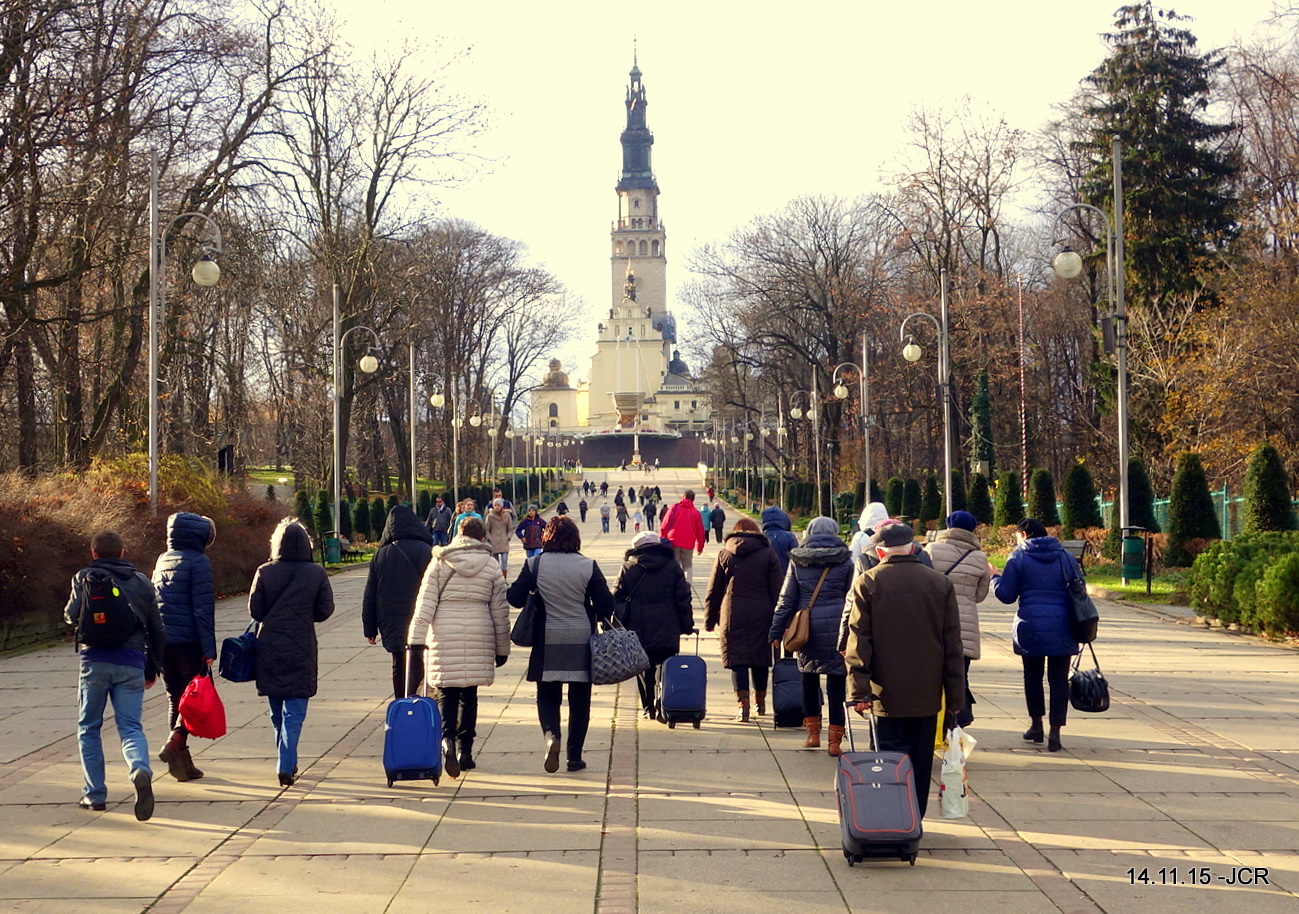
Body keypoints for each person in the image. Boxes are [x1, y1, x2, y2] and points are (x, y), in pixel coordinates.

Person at [844, 522, 964, 820]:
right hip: (927, 694)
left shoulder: (868, 582)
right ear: (912, 547)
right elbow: (952, 645)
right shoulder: (940, 584)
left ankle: (892, 819)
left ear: (880, 551)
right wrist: (956, 700)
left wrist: (859, 691)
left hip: (885, 694)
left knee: (889, 761)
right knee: (921, 763)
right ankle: (916, 819)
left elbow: (859, 640)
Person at [65, 529, 167, 819]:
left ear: (94, 553)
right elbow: (157, 629)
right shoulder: (141, 581)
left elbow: (71, 615)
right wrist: (154, 667)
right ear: (123, 552)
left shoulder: (83, 577)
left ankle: (94, 794)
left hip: (94, 661)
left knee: (89, 728)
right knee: (130, 726)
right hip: (131, 661)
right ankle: (139, 769)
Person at [507, 516, 614, 773]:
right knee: (580, 701)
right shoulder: (588, 565)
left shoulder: (535, 564)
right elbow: (606, 606)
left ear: (547, 537)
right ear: (575, 538)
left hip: (547, 638)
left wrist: (535, 591)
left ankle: (551, 737)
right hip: (580, 638)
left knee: (547, 696)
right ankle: (574, 757)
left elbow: (515, 598)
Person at [408, 517, 510, 777]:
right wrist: (502, 648)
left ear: (457, 533)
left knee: (446, 693)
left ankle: (446, 741)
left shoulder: (440, 563)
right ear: (481, 537)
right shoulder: (491, 565)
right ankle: (466, 751)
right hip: (479, 632)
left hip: (444, 632)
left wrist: (416, 640)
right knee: (469, 695)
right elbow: (500, 611)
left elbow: (425, 603)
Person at [249, 520, 335, 787]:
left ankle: (286, 758)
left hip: (269, 646)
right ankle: (286, 764)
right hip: (301, 645)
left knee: (277, 712)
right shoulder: (316, 573)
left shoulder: (264, 571)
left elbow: (255, 611)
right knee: (294, 712)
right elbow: (324, 611)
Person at [767, 516, 855, 755]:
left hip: (807, 627)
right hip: (838, 627)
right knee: (837, 685)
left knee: (808, 679)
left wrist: (776, 631)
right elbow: (852, 597)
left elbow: (787, 599)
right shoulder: (846, 561)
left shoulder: (798, 560)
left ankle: (813, 734)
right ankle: (835, 742)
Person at [991, 517, 1080, 752]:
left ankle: (1036, 725)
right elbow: (1079, 586)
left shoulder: (1018, 557)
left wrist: (994, 578)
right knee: (1059, 680)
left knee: (1033, 677)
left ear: (1025, 535)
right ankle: (1056, 733)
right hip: (1063, 625)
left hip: (1030, 625)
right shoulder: (1065, 557)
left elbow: (1006, 595)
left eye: (1018, 535)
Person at [152, 512, 216, 782]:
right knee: (195, 698)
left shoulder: (163, 559)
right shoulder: (199, 562)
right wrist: (209, 649)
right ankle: (174, 740)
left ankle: (182, 765)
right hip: (189, 641)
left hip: (163, 641)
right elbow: (202, 608)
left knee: (175, 697)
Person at [704, 517, 782, 722]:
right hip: (762, 612)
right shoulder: (768, 554)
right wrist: (782, 619)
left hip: (732, 612)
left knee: (737, 659)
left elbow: (714, 590)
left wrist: (710, 619)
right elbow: (777, 590)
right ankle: (761, 702)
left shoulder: (724, 554)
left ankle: (743, 705)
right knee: (761, 658)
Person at [613, 530, 694, 718]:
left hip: (637, 628)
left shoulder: (628, 567)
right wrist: (686, 624)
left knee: (642, 668)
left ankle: (648, 706)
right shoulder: (672, 566)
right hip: (668, 626)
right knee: (666, 665)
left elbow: (616, 597)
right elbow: (683, 597)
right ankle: (663, 700)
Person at [924, 510, 991, 727]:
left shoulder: (932, 550)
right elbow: (979, 596)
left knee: (933, 678)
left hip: (934, 623)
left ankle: (935, 727)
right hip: (965, 627)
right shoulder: (979, 558)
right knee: (960, 677)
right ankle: (955, 725)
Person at [362, 505, 434, 700]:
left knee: (398, 661)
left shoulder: (382, 554)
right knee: (419, 659)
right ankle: (416, 701)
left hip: (390, 617)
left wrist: (370, 627)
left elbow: (371, 592)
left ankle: (400, 703)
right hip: (419, 615)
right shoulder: (427, 551)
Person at [658, 490, 707, 582]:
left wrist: (662, 537)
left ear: (683, 497)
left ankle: (674, 583)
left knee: (674, 564)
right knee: (687, 566)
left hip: (673, 541)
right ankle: (687, 585)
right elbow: (700, 531)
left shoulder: (674, 508)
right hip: (689, 542)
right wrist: (700, 547)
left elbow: (665, 524)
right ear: (693, 499)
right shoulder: (696, 513)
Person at [760, 505, 799, 574]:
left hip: (764, 579)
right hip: (785, 578)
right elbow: (797, 560)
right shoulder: (789, 537)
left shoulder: (760, 538)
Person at [485, 498, 513, 576]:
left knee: (504, 560)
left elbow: (510, 528)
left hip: (504, 541)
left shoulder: (506, 515)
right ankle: (498, 577)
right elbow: (486, 529)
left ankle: (504, 578)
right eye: (495, 505)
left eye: (498, 505)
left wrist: (508, 537)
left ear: (502, 506)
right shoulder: (490, 516)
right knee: (496, 563)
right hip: (494, 542)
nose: (496, 507)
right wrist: (489, 538)